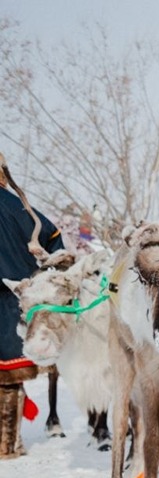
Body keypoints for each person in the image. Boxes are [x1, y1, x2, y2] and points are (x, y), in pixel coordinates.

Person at [0, 174, 66, 458]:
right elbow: (54, 239)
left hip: (8, 298)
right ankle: (8, 445)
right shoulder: (18, 208)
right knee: (9, 377)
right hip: (12, 301)